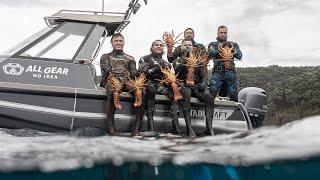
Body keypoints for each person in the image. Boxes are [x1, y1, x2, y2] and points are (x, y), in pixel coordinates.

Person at [100, 33, 144, 136]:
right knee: (112, 91)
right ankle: (111, 128)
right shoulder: (105, 56)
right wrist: (111, 73)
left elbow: (133, 73)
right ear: (112, 43)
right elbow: (106, 70)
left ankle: (136, 129)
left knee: (141, 90)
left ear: (123, 42)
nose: (118, 43)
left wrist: (140, 72)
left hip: (126, 81)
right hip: (111, 80)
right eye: (116, 41)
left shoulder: (130, 58)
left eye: (120, 41)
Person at [173, 39, 215, 136]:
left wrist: (204, 83)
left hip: (196, 86)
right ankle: (189, 128)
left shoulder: (198, 61)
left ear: (192, 47)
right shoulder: (177, 60)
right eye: (185, 45)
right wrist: (185, 58)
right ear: (181, 47)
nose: (188, 46)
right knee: (186, 94)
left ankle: (209, 128)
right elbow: (177, 71)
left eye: (189, 45)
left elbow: (204, 75)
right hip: (184, 84)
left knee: (209, 97)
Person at [138, 40, 170, 132]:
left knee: (176, 91)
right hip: (147, 83)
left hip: (160, 85)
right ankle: (150, 125)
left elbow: (168, 78)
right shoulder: (144, 58)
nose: (159, 46)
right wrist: (157, 68)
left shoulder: (166, 62)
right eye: (156, 45)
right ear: (152, 47)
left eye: (161, 45)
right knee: (151, 89)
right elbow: (142, 73)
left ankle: (174, 123)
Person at [208, 25, 242, 102]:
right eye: (221, 33)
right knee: (212, 91)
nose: (223, 34)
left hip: (231, 72)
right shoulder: (213, 44)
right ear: (217, 34)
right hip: (218, 73)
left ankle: (235, 112)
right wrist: (221, 49)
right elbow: (210, 54)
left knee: (233, 94)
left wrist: (232, 50)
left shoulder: (233, 44)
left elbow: (239, 55)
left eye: (225, 33)